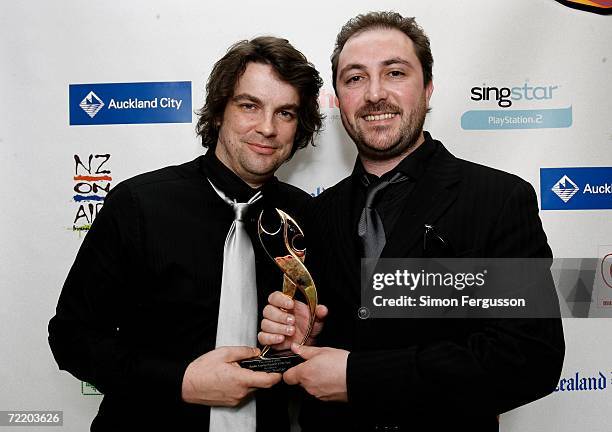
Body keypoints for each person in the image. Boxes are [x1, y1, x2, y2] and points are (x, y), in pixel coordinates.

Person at [258, 12, 565, 431]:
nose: (375, 94)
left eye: (395, 72)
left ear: (428, 88)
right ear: (338, 98)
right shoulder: (316, 214)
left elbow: (529, 358)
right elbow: (318, 356)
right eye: (354, 78)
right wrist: (301, 342)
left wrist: (358, 377)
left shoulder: (497, 200)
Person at [48, 36, 325, 432]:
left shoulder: (306, 217)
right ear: (217, 112)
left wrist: (304, 343)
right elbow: (70, 338)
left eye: (285, 113)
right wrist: (181, 381)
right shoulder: (138, 205)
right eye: (249, 105)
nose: (267, 128)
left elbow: (317, 350)